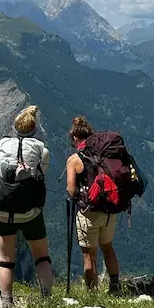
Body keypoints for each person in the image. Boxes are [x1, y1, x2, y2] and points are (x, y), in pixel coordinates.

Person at [0, 105, 52, 308]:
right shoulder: (41, 150)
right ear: (35, 129)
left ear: (14, 127)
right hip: (31, 212)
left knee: (5, 260)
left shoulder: (1, 146)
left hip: (2, 212)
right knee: (42, 257)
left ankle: (6, 303)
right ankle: (46, 300)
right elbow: (41, 176)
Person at [66, 117, 121, 294]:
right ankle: (115, 286)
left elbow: (71, 190)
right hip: (109, 210)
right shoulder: (105, 154)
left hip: (88, 213)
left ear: (75, 138)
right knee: (108, 247)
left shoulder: (75, 159)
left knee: (89, 254)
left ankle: (92, 293)